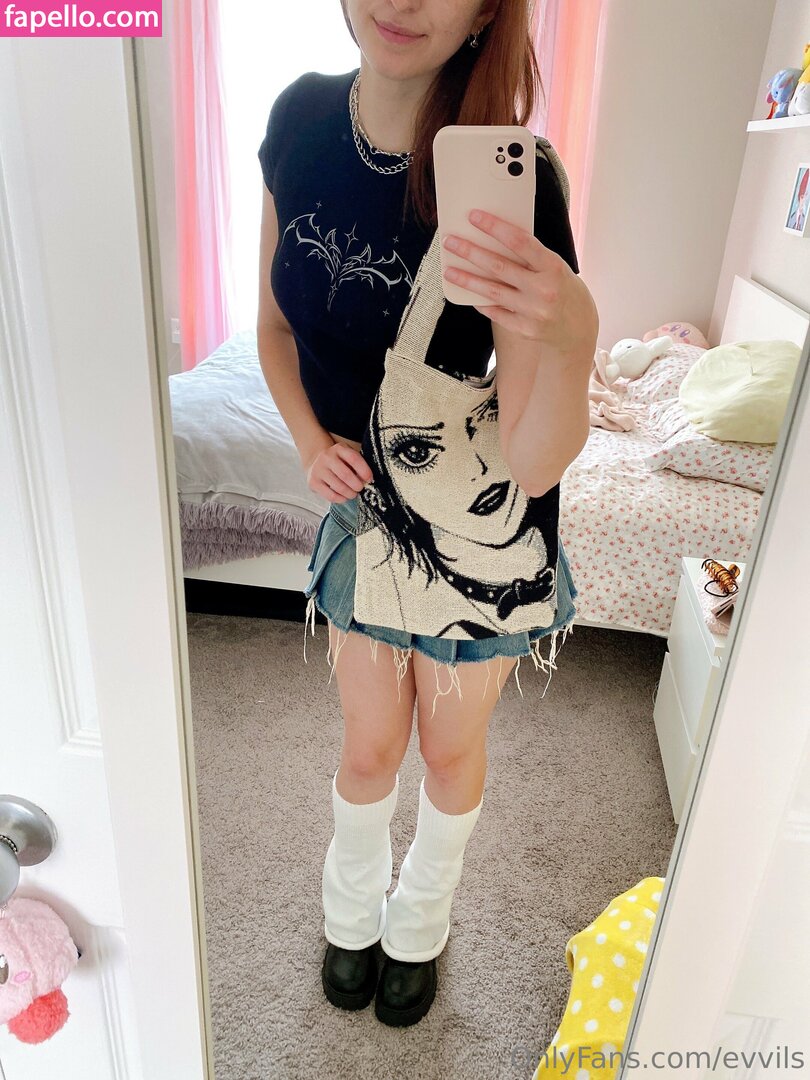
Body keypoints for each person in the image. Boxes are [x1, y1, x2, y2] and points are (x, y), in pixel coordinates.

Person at [256, 0, 598, 1029]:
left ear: (487, 7)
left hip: (480, 527)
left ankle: (421, 923)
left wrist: (575, 336)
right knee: (368, 746)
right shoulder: (298, 118)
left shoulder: (517, 178)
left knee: (449, 752)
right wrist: (310, 442)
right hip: (366, 513)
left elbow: (536, 458)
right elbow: (273, 326)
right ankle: (349, 913)